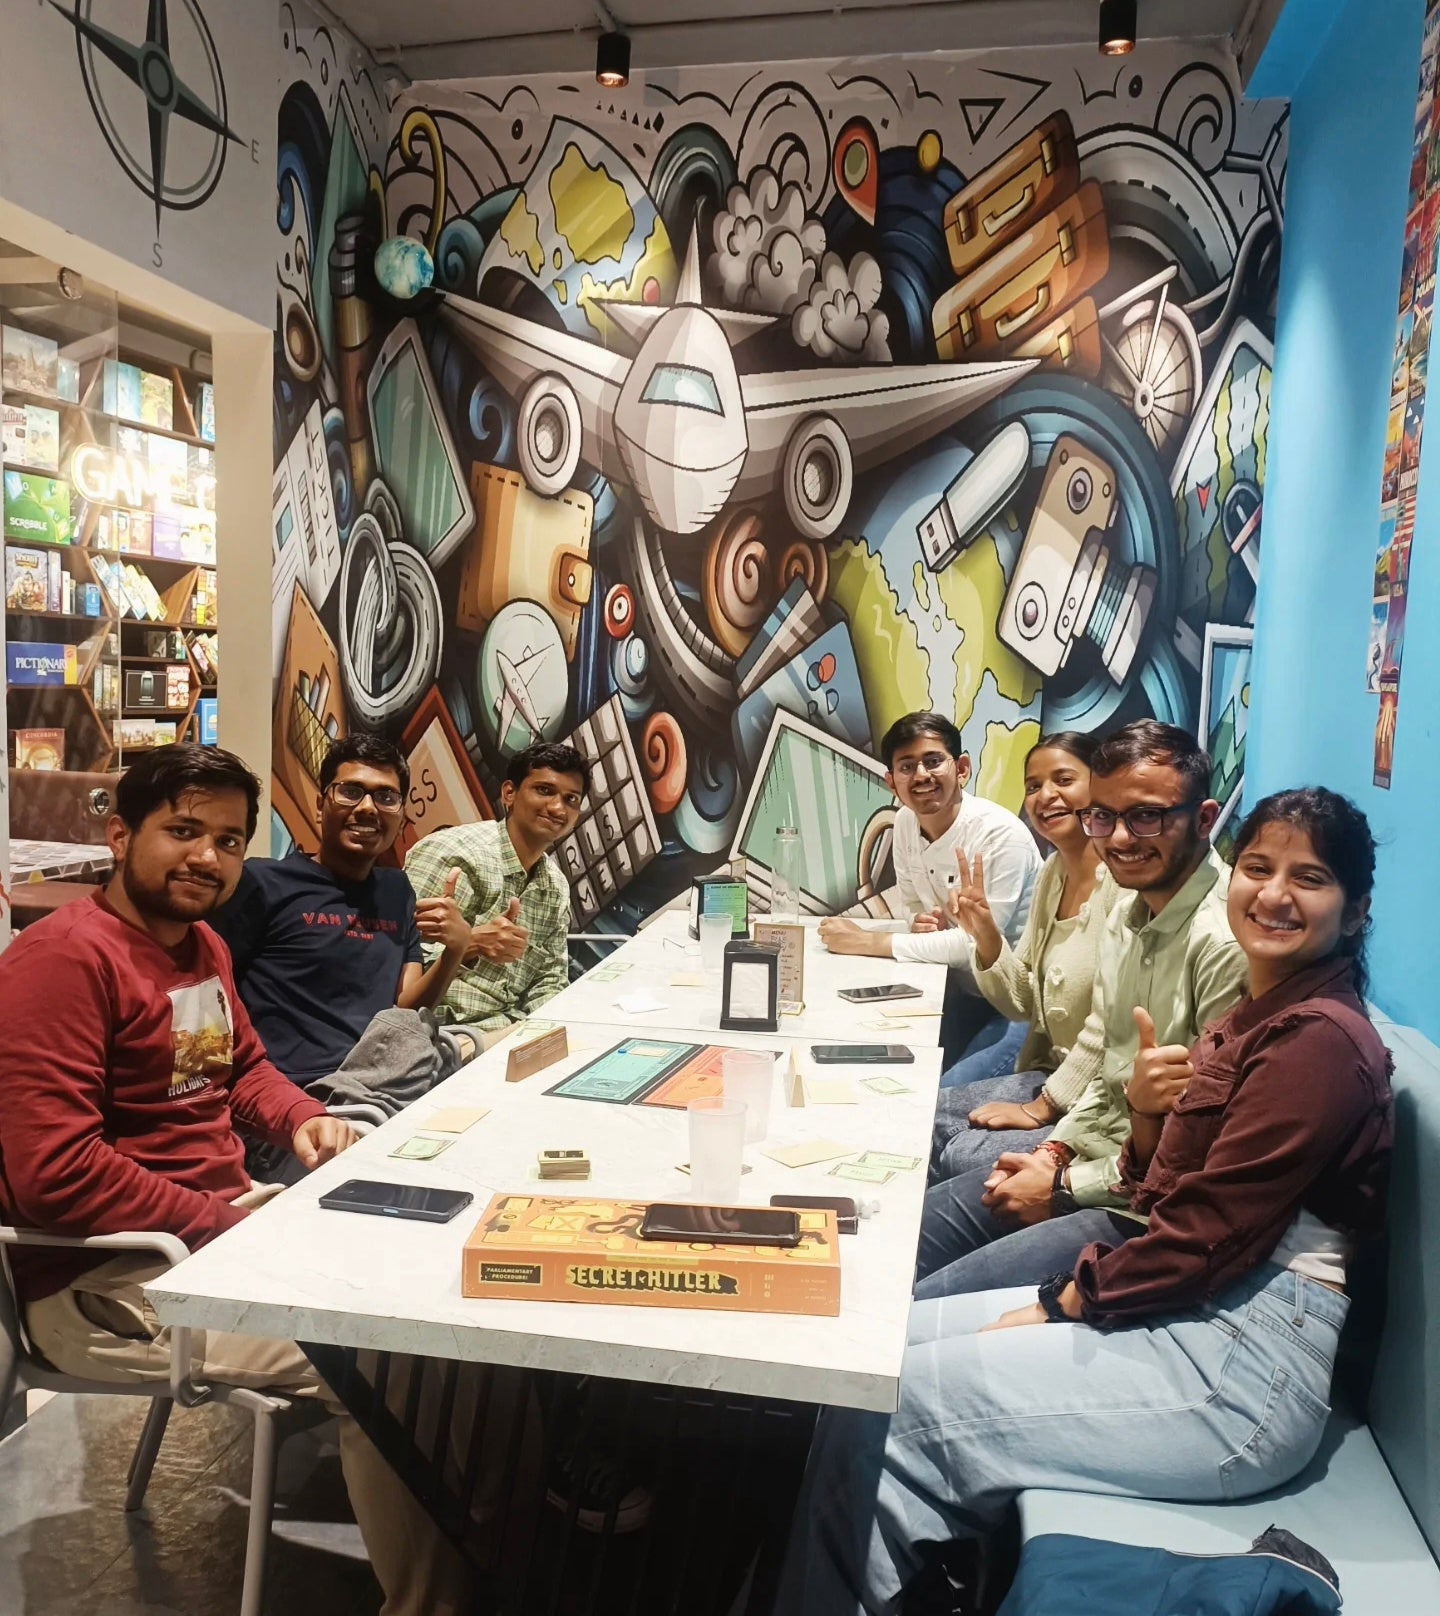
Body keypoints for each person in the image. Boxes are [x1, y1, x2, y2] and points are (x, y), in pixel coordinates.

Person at [776, 786, 1392, 1616]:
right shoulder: (1261, 1015)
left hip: (1246, 1364)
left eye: (1309, 878)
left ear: (1353, 911)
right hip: (1199, 1307)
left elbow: (1209, 1234)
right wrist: (1142, 1112)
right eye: (1258, 867)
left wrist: (1069, 1298)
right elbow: (1161, 1190)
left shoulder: (1319, 1043)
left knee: (902, 1408)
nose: (1274, 893)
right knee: (873, 1362)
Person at [0, 744, 471, 1616]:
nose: (206, 857)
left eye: (227, 839)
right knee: (392, 1360)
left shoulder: (202, 946)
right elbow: (51, 1174)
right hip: (108, 1281)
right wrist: (222, 1221)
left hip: (216, 1238)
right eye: (182, 830)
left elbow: (241, 1070)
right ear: (118, 835)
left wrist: (302, 1120)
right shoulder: (60, 963)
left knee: (439, 1289)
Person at [917, 720, 1247, 1297]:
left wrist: (1064, 1182)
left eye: (1146, 815)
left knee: (923, 1298)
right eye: (1105, 816)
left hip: (1142, 1209)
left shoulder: (1222, 942)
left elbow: (1196, 1145)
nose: (1119, 838)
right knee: (907, 1236)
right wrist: (1054, 1151)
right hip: (1092, 1157)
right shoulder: (1124, 909)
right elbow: (1110, 1061)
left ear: (1204, 818)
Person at [211, 733, 473, 1090]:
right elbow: (208, 993)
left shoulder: (397, 891)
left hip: (383, 1080)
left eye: (385, 797)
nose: (367, 807)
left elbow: (405, 1005)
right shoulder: (262, 883)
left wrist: (455, 950)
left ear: (401, 818)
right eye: (351, 791)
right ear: (320, 805)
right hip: (295, 1093)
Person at [817, 712, 1042, 1063]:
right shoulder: (906, 822)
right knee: (887, 1063)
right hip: (960, 990)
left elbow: (978, 944)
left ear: (962, 768)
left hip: (1018, 1005)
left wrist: (868, 941)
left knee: (942, 1105)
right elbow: (910, 902)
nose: (921, 775)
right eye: (907, 767)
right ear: (891, 782)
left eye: (933, 761)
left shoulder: (1000, 835)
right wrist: (918, 921)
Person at [935, 731, 1114, 1114]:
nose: (1045, 796)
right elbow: (1023, 1002)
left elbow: (1112, 1022)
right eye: (1033, 786)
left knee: (946, 1135)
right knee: (927, 1114)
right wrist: (984, 933)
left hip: (1096, 1098)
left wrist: (1043, 1109)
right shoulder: (1053, 872)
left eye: (1063, 780)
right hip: (1047, 1072)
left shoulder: (1123, 882)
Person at [404, 740, 588, 1040]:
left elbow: (549, 981)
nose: (558, 808)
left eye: (571, 799)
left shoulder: (555, 886)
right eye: (545, 790)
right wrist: (470, 944)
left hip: (512, 1032)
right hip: (441, 1036)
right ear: (509, 794)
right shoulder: (455, 854)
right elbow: (398, 977)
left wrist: (551, 1034)